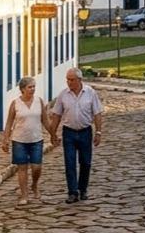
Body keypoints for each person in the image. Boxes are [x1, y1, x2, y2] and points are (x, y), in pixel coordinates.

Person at [49, 68, 104, 204]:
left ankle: (83, 189)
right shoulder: (63, 95)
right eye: (68, 79)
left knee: (85, 162)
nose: (69, 82)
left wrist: (98, 132)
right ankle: (72, 192)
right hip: (69, 132)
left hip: (85, 131)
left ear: (79, 80)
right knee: (70, 162)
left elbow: (97, 113)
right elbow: (56, 114)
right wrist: (53, 133)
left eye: (72, 80)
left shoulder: (90, 93)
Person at [1, 76, 52, 205]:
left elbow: (45, 120)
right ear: (23, 89)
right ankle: (24, 194)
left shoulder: (39, 102)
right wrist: (6, 139)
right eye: (30, 87)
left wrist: (53, 134)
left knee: (36, 167)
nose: (32, 89)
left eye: (34, 86)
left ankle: (34, 184)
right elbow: (9, 123)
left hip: (36, 138)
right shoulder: (15, 103)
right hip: (19, 140)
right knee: (22, 167)